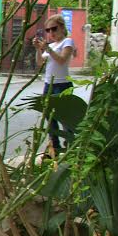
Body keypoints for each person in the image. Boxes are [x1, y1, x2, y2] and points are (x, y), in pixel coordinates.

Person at [32, 13, 77, 154]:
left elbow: (62, 60)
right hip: (48, 84)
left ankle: (70, 145)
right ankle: (55, 146)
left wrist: (48, 49)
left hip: (62, 84)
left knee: (64, 117)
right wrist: (38, 49)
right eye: (48, 30)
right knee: (49, 116)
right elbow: (40, 63)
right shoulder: (51, 45)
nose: (51, 32)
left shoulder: (67, 42)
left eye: (54, 29)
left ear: (62, 28)